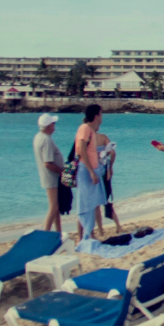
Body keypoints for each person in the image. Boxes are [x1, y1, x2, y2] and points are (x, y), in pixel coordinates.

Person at [71, 104, 107, 242]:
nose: (102, 116)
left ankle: (89, 234)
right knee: (85, 203)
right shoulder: (85, 128)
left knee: (91, 203)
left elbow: (88, 151)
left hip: (91, 169)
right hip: (86, 170)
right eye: (101, 114)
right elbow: (81, 150)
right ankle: (84, 236)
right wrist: (91, 172)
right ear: (96, 115)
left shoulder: (90, 130)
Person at [33, 113, 64, 235]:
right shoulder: (46, 140)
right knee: (53, 208)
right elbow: (48, 163)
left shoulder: (38, 137)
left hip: (48, 177)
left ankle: (58, 232)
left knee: (55, 208)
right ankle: (45, 234)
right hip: (51, 178)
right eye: (53, 123)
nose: (54, 125)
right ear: (48, 126)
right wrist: (62, 172)